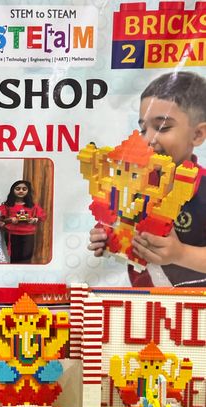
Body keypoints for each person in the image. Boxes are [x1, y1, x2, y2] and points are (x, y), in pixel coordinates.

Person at [88, 71, 206, 287]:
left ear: (197, 135)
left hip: (196, 311)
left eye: (163, 127)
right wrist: (106, 236)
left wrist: (181, 254)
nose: (148, 139)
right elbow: (120, 226)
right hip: (145, 308)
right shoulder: (134, 184)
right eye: (143, 129)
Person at [0, 180, 46, 264]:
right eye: (18, 188)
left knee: (27, 258)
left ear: (28, 191)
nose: (21, 191)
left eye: (24, 189)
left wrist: (34, 219)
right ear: (13, 190)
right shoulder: (7, 205)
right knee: (14, 258)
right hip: (12, 235)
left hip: (28, 235)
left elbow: (43, 216)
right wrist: (10, 219)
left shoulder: (33, 205)